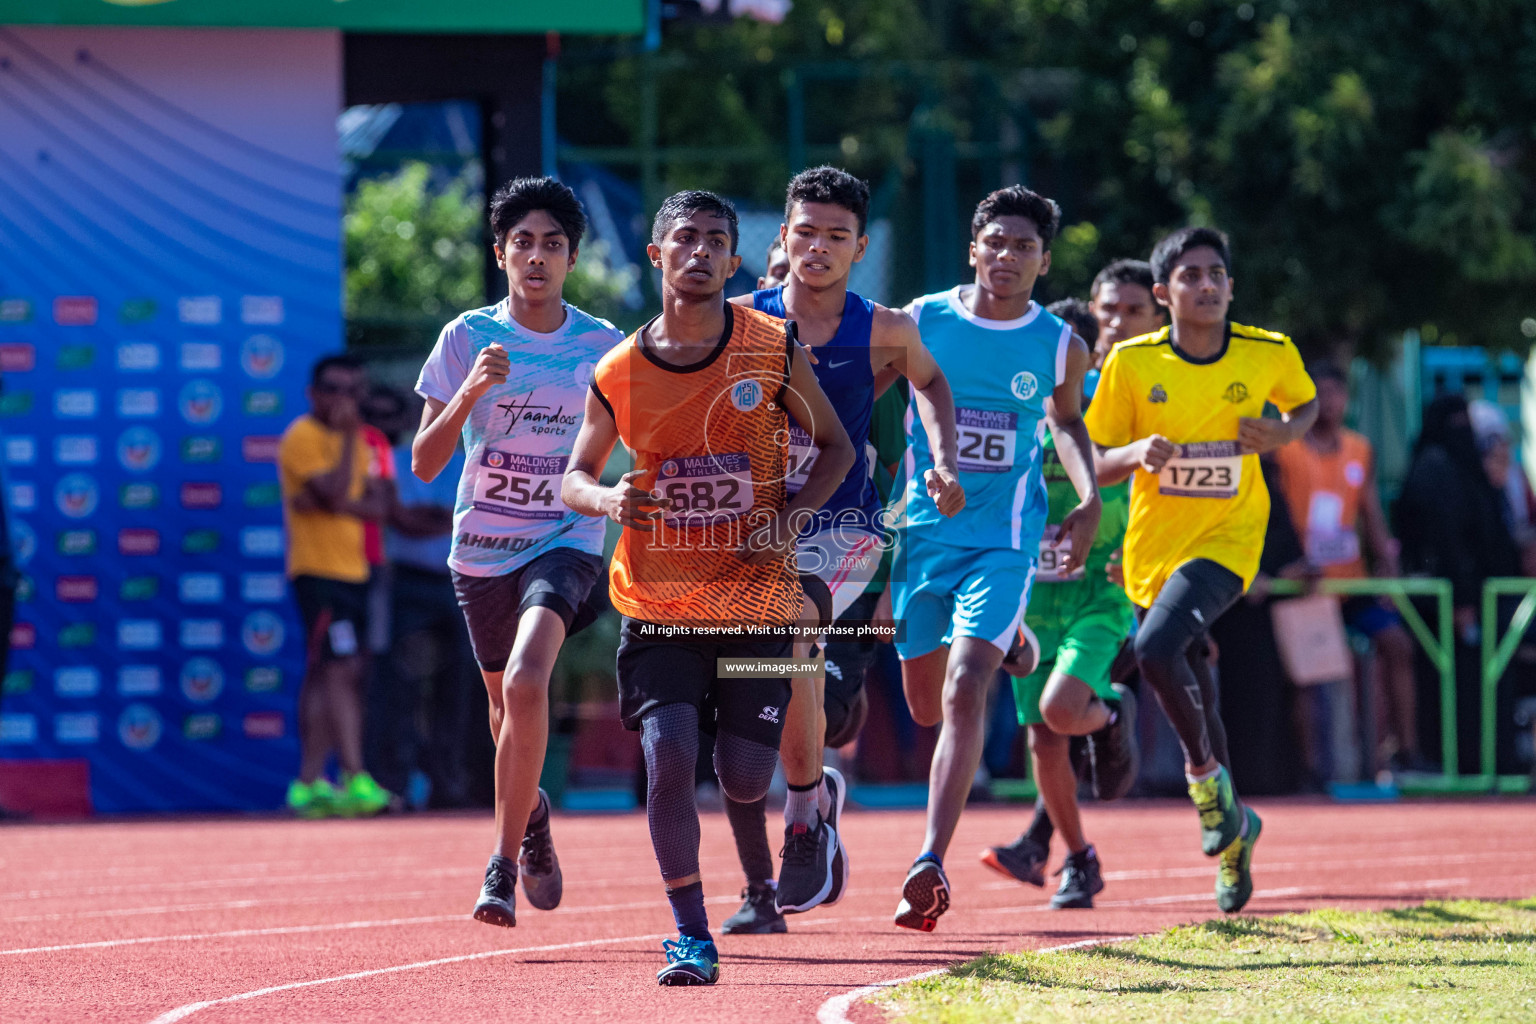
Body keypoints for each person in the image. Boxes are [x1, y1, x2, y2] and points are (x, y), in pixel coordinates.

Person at [562, 190, 854, 985]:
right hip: (657, 601)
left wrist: (791, 516)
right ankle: (690, 933)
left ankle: (813, 804)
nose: (699, 253)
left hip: (755, 595)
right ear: (656, 256)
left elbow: (834, 447)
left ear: (733, 261)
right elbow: (575, 476)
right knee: (669, 755)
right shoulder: (618, 369)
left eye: (715, 242)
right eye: (683, 239)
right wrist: (610, 498)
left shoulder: (768, 346)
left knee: (743, 777)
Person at [719, 166, 964, 929]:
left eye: (835, 236)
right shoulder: (735, 321)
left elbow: (932, 386)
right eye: (805, 232)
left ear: (859, 247)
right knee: (752, 694)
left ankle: (803, 825)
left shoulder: (885, 327)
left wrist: (943, 457)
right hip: (750, 533)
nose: (818, 247)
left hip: (844, 531)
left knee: (791, 629)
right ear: (781, 239)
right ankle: (811, 795)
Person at [411, 177, 624, 928]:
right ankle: (530, 818)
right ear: (501, 254)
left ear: (572, 257)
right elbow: (426, 462)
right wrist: (469, 393)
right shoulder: (466, 337)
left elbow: (635, 439)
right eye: (523, 243)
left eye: (553, 244)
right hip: (482, 550)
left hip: (565, 539)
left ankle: (498, 871)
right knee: (506, 713)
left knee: (530, 683)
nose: (537, 257)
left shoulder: (602, 346)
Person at [1086, 225, 1317, 912]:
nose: (1207, 285)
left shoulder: (1267, 352)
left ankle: (1205, 784)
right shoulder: (1132, 365)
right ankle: (1236, 831)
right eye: (1190, 275)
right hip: (1152, 550)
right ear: (1164, 293)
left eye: (1217, 273)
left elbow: (1302, 403)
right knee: (1196, 689)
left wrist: (1281, 433)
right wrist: (1135, 456)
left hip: (1229, 540)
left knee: (1156, 650)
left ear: (1231, 286)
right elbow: (1091, 460)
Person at [891, 185, 1101, 932]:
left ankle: (929, 863)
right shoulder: (920, 320)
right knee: (922, 704)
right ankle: (1016, 639)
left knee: (962, 688)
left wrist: (1088, 495)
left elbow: (1069, 424)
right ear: (972, 247)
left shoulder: (1058, 344)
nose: (1007, 256)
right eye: (996, 242)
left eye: (1023, 247)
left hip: (1003, 541)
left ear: (1043, 262)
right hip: (923, 536)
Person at [979, 297, 1138, 910]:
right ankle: (1078, 859)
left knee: (1062, 707)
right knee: (1043, 742)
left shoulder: (1107, 401)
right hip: (1029, 595)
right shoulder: (1008, 399)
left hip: (1097, 589)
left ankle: (1110, 715)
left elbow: (1134, 469)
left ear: (1087, 353)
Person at [1272, 362, 1425, 775]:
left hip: (1351, 582)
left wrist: (1388, 570)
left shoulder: (1359, 449)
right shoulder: (1284, 450)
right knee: (1311, 672)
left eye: (1337, 394)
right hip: (1306, 586)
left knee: (1398, 645)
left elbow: (1372, 517)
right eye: (1320, 395)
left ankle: (1405, 751)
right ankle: (1311, 768)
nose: (1329, 403)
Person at [278, 355, 394, 819]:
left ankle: (308, 783)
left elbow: (379, 506)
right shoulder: (301, 437)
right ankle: (354, 776)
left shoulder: (370, 442)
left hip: (356, 571)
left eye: (354, 390)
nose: (346, 399)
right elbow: (337, 492)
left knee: (329, 672)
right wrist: (348, 442)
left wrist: (337, 499)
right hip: (317, 572)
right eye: (335, 388)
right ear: (314, 392)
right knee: (340, 668)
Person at [377, 404, 478, 808]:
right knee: (399, 687)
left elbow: (473, 517)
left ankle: (447, 785)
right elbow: (399, 518)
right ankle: (394, 784)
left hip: (459, 582)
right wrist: (446, 517)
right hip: (409, 581)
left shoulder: (472, 462)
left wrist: (431, 517)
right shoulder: (396, 461)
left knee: (459, 689)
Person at [1087, 259, 1166, 366]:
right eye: (1109, 308)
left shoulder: (1176, 379)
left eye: (1133, 311)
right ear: (1091, 313)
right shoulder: (1064, 377)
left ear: (1157, 322)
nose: (1118, 323)